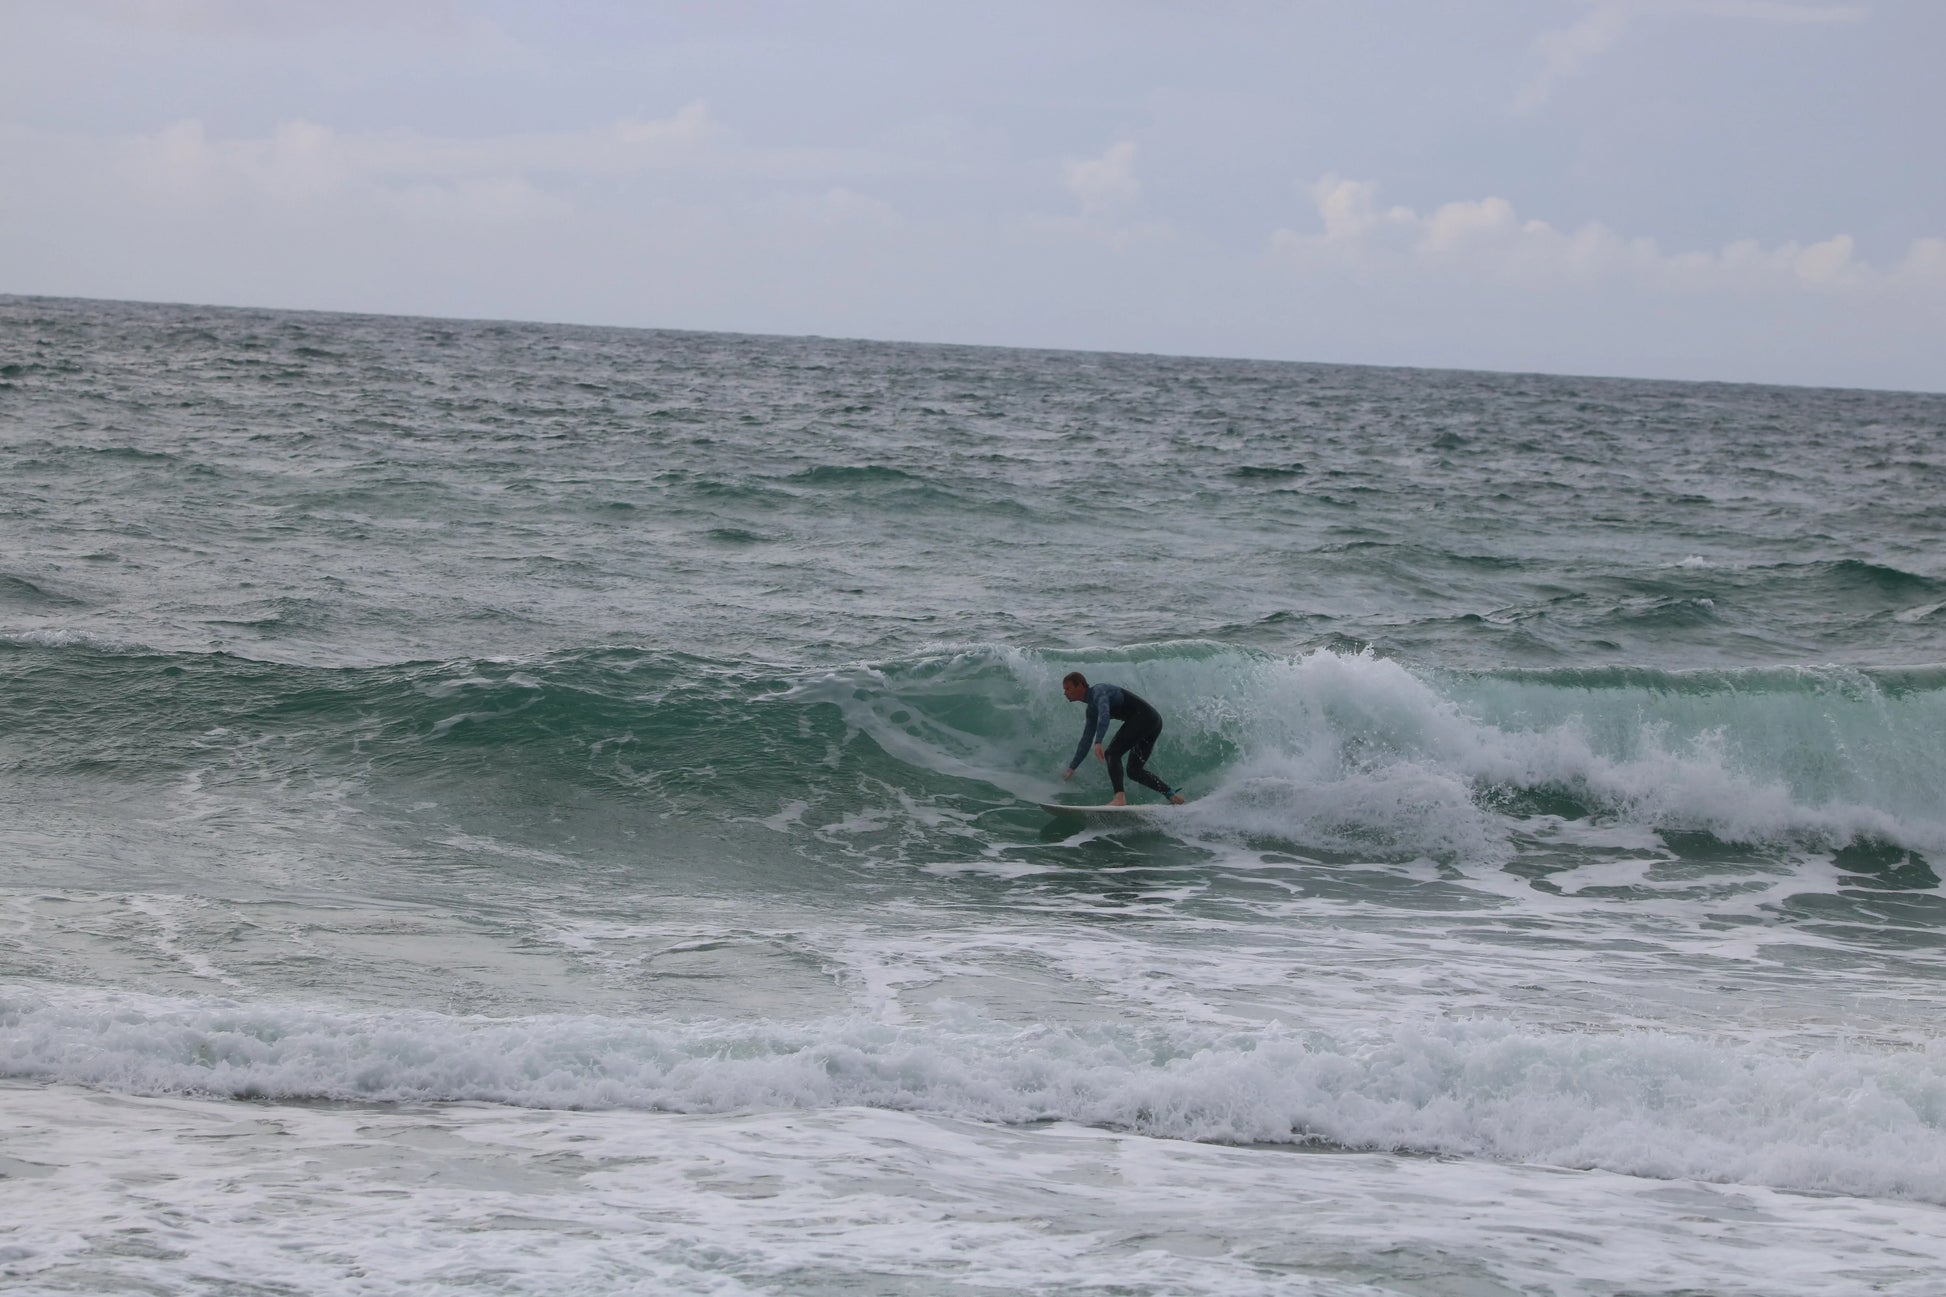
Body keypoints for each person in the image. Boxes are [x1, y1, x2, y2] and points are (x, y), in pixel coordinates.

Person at [1061, 671, 1187, 805]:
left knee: (1112, 753)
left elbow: (1104, 714)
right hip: (1152, 721)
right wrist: (1072, 768)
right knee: (1134, 771)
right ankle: (1172, 795)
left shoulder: (1098, 691)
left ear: (1080, 685)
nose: (1065, 692)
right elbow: (1086, 740)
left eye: (1068, 688)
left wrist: (1098, 742)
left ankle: (1119, 798)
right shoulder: (1091, 710)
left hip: (1145, 718)